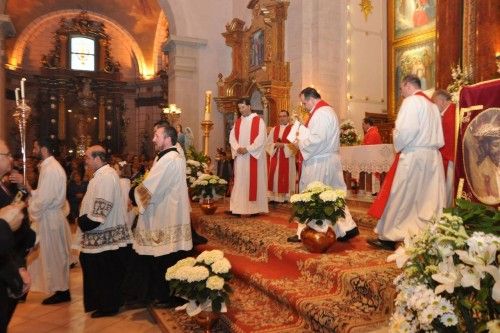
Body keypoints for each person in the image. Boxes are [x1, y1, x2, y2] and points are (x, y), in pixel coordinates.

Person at [368, 75, 445, 251]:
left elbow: (405, 132)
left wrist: (396, 136)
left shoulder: (411, 102)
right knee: (427, 198)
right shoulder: (433, 107)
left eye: (401, 89)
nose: (401, 93)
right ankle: (425, 235)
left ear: (408, 85)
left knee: (402, 196)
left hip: (414, 156)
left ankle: (391, 235)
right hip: (432, 157)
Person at [123, 121, 192, 309]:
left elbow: (152, 186)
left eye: (157, 136)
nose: (153, 139)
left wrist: (132, 194)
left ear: (168, 138)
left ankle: (166, 295)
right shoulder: (167, 156)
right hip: (165, 211)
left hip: (165, 214)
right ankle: (162, 294)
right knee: (164, 255)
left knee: (165, 256)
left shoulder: (169, 158)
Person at [288, 87, 358, 243]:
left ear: (311, 99)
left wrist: (299, 141)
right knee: (332, 194)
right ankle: (346, 228)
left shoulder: (321, 114)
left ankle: (312, 231)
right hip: (328, 159)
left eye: (304, 102)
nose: (304, 106)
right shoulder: (328, 111)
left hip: (319, 161)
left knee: (313, 195)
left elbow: (316, 140)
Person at [11, 139, 72, 304]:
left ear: (44, 149)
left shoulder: (51, 169)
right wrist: (29, 189)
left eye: (36, 146)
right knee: (43, 255)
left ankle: (62, 291)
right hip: (48, 217)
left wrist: (29, 208)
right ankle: (29, 288)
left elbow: (44, 200)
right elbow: (44, 194)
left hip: (50, 219)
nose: (34, 149)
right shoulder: (48, 167)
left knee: (55, 256)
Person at [77, 146, 132, 318]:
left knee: (104, 273)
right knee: (100, 269)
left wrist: (83, 221)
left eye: (87, 157)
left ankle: (108, 306)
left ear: (97, 158)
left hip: (102, 232)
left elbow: (102, 209)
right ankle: (104, 303)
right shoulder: (101, 175)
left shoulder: (107, 177)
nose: (85, 161)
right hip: (100, 234)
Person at [0, 139, 34, 331]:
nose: (11, 158)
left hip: (12, 256)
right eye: (6, 155)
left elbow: (18, 206)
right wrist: (16, 271)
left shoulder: (6, 185)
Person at [228, 98, 269, 216]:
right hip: (241, 157)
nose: (241, 110)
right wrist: (237, 148)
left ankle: (254, 208)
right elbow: (232, 138)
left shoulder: (258, 121)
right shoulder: (238, 122)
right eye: (239, 108)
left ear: (249, 106)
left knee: (253, 181)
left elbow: (261, 139)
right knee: (240, 181)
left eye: (243, 107)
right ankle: (239, 207)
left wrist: (248, 149)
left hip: (253, 156)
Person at [266, 110, 296, 203]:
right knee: (274, 175)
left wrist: (284, 146)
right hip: (275, 156)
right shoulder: (274, 129)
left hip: (287, 158)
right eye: (280, 116)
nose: (282, 118)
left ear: (288, 117)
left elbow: (296, 145)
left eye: (284, 116)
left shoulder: (293, 129)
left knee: (286, 176)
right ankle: (274, 197)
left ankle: (286, 197)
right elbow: (268, 144)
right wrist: (274, 145)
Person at [432, 89, 456, 207]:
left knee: (448, 188)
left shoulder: (450, 113)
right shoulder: (450, 111)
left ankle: (446, 212)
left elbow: (448, 139)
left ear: (441, 101)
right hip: (448, 156)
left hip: (449, 157)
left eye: (434, 102)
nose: (434, 106)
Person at [468, 122, 499, 205]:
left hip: (486, 161)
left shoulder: (485, 142)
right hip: (484, 162)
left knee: (488, 178)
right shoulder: (481, 143)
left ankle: (489, 193)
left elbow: (488, 152)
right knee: (486, 178)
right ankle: (488, 194)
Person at [362, 117, 383, 195]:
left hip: (373, 159)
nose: (362, 126)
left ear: (368, 124)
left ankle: (373, 191)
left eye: (363, 124)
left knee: (371, 173)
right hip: (372, 158)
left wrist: (362, 145)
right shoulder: (371, 132)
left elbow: (369, 147)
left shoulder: (372, 133)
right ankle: (372, 191)